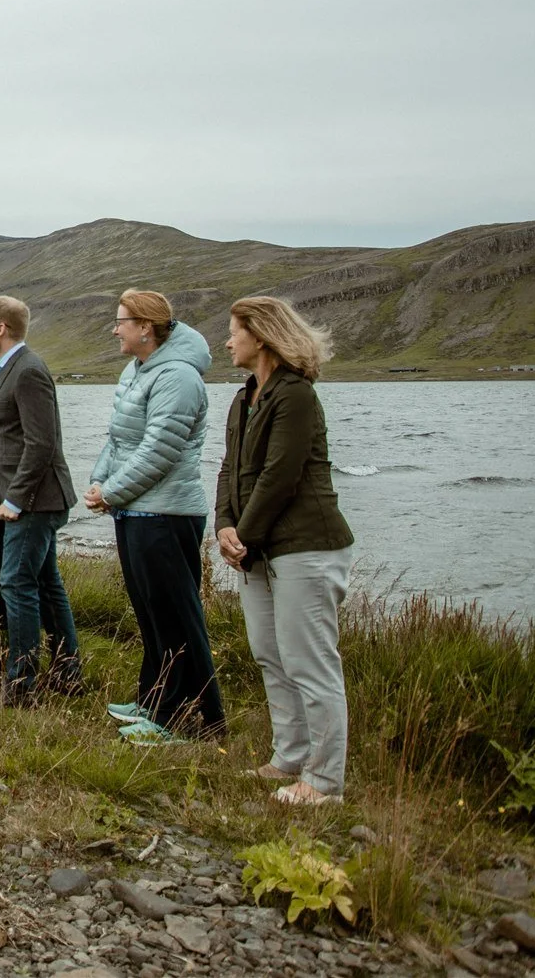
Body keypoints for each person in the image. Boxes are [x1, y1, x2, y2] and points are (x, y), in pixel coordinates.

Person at [216, 295, 357, 806]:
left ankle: (324, 783)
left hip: (305, 547)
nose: (227, 341)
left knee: (309, 661)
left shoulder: (295, 395)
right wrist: (225, 526)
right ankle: (290, 757)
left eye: (234, 331)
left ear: (262, 334)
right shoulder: (244, 397)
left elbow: (281, 476)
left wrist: (243, 535)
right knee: (271, 656)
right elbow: (229, 470)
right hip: (256, 550)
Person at [85, 289, 225, 744]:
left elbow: (159, 451)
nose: (113, 328)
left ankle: (187, 718)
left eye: (122, 320)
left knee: (175, 616)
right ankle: (154, 699)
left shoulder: (179, 378)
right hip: (137, 510)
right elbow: (120, 437)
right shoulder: (139, 369)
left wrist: (112, 492)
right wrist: (100, 481)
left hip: (166, 512)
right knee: (151, 613)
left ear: (146, 327)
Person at [0, 293, 83, 702]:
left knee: (16, 584)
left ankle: (21, 685)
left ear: (1, 328)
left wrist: (16, 499)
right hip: (35, 499)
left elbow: (41, 443)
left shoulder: (28, 371)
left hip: (37, 501)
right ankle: (67, 672)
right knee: (45, 583)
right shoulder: (8, 367)